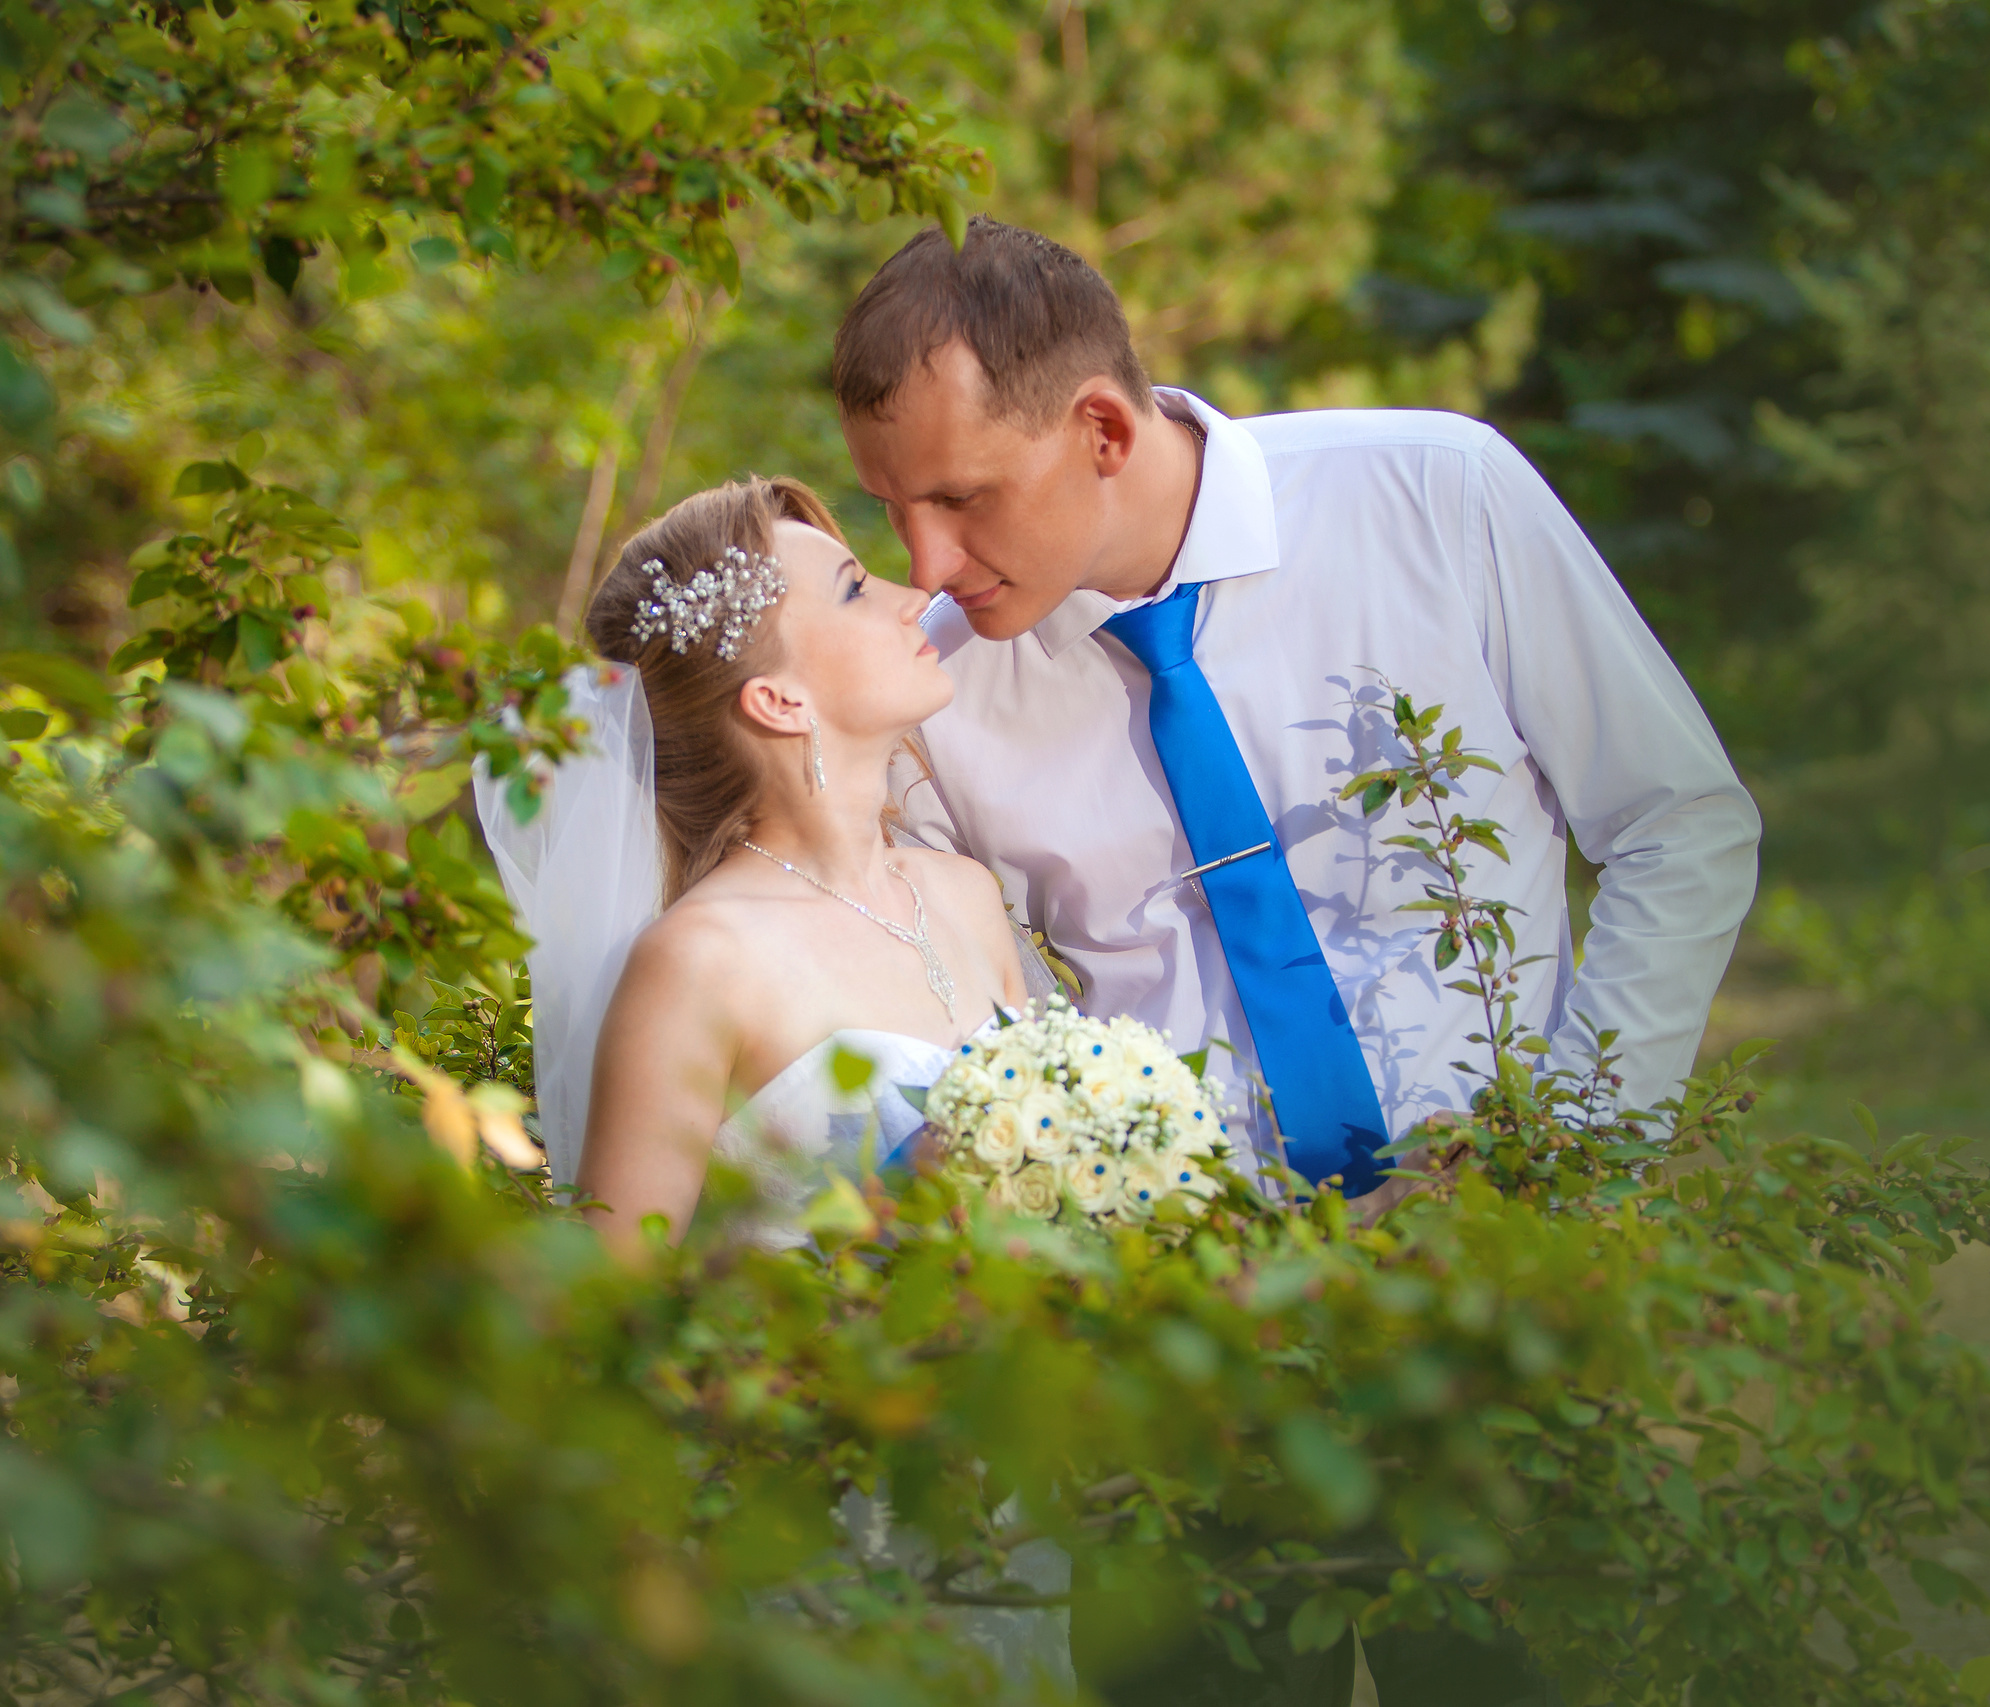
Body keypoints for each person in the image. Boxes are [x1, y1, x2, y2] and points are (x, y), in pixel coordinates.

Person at [828, 216, 1761, 1706]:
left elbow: (1678, 824)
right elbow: (950, 1002)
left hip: (1505, 1292)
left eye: (960, 496)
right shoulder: (947, 681)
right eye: (893, 505)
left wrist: (1563, 1168)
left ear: (1104, 428)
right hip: (1186, 1353)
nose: (926, 561)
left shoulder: (1434, 493)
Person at [474, 474, 1071, 1694]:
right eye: (854, 586)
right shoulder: (700, 961)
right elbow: (607, 1325)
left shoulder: (960, 893)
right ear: (777, 696)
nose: (915, 590)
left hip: (1019, 1506)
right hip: (824, 1550)